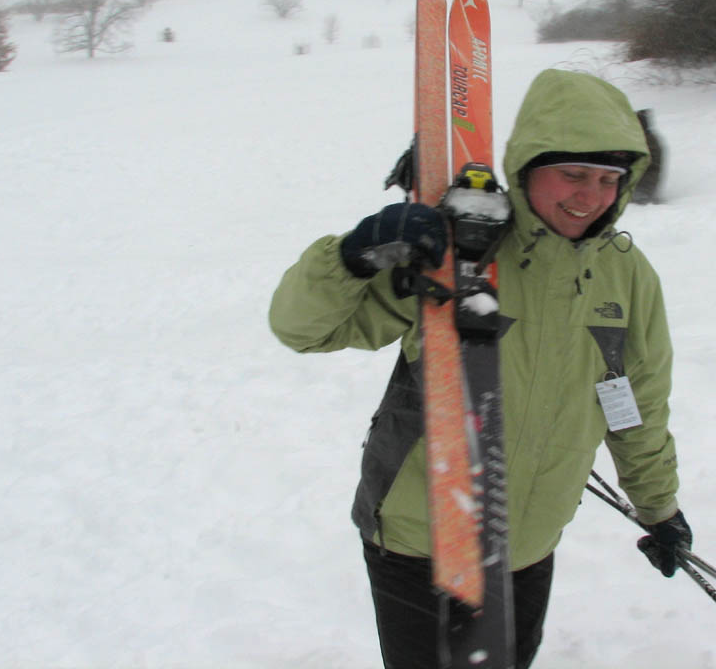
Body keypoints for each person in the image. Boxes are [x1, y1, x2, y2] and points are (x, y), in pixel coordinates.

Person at [269, 68, 692, 669]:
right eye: (571, 174)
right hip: (421, 538)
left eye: (607, 180)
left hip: (528, 545)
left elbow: (636, 407)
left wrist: (661, 508)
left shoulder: (628, 277)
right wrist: (350, 257)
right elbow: (302, 329)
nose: (588, 196)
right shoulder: (458, 250)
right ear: (526, 168)